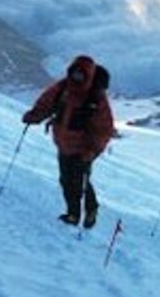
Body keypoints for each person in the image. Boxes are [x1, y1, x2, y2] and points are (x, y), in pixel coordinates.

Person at [22, 56, 114, 228]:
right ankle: (81, 211)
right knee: (67, 179)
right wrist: (34, 116)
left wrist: (92, 151)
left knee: (80, 180)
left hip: (83, 149)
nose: (76, 78)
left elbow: (103, 129)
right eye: (74, 73)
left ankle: (80, 213)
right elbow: (46, 103)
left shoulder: (96, 98)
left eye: (81, 75)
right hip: (63, 144)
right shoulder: (62, 88)